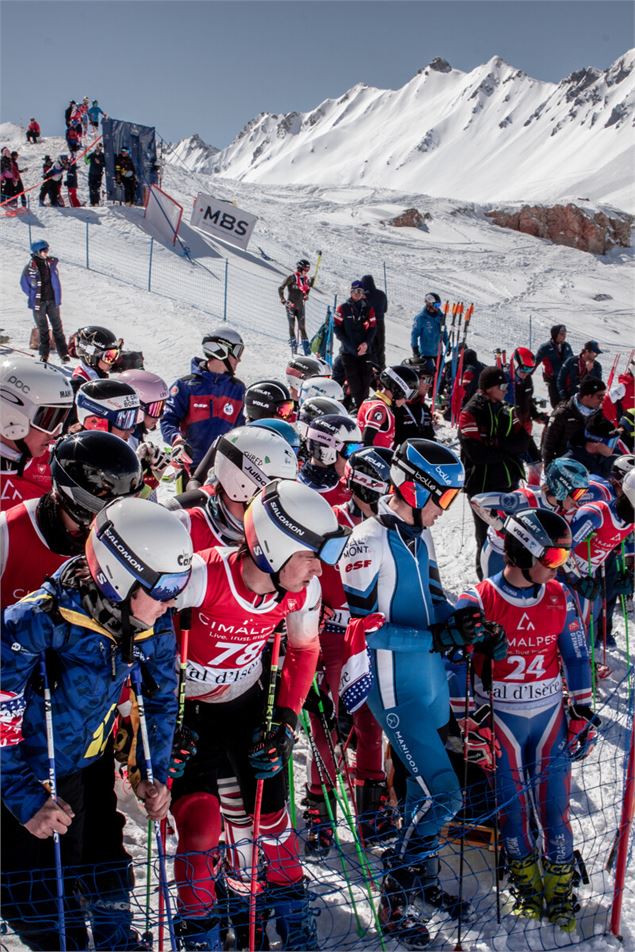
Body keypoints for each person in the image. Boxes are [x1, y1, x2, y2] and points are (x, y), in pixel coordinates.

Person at [1, 496, 193, 951]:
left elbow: (161, 697)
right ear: (120, 578)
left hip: (87, 761)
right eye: (163, 587)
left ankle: (117, 942)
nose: (171, 602)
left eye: (178, 587)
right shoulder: (37, 620)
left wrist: (153, 772)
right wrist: (26, 800)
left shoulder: (148, 621)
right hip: (29, 773)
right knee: (38, 902)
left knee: (105, 865)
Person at [171, 479, 350, 949]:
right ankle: (200, 935)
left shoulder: (301, 591)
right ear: (274, 546)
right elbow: (140, 642)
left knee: (273, 822)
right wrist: (151, 723)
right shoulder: (198, 576)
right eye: (311, 556)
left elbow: (303, 649)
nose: (320, 569)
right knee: (201, 827)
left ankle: (292, 922)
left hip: (248, 707)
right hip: (189, 717)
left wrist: (287, 720)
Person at [340, 439, 500, 945]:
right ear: (413, 488)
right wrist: (436, 637)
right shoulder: (367, 541)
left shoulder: (419, 540)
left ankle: (422, 878)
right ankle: (394, 893)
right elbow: (360, 632)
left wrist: (467, 622)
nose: (443, 511)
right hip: (395, 690)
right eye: (443, 499)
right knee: (444, 795)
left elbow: (433, 601)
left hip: (428, 682)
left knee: (419, 790)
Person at [452, 508, 593, 932]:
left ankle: (560, 887)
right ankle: (527, 884)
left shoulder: (561, 596)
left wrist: (582, 710)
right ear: (524, 551)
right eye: (552, 558)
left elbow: (576, 656)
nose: (560, 567)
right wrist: (468, 723)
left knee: (556, 811)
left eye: (563, 558)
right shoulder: (477, 599)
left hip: (547, 716)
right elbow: (455, 665)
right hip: (501, 721)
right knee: (512, 814)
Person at [305, 446, 394, 854]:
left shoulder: (394, 528)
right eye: (374, 496)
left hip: (373, 638)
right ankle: (320, 813)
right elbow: (309, 583)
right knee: (329, 731)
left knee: (372, 724)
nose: (381, 505)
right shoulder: (330, 523)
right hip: (334, 638)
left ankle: (370, 811)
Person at [459, 366, 529, 577]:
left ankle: (511, 580)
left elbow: (522, 442)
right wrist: (506, 448)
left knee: (514, 536)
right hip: (482, 487)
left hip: (509, 484)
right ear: (489, 388)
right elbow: (477, 455)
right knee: (488, 537)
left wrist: (496, 444)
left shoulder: (505, 408)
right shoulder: (470, 412)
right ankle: (486, 585)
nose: (506, 390)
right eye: (502, 386)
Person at [472, 456, 589, 579]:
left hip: (526, 558)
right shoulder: (526, 499)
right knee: (494, 595)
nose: (577, 501)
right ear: (561, 487)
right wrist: (501, 527)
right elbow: (477, 501)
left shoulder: (561, 509)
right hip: (498, 553)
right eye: (577, 493)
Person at [160, 327, 246, 471]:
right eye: (237, 352)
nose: (239, 359)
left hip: (225, 468)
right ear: (221, 350)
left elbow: (241, 428)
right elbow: (168, 419)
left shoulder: (237, 389)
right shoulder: (186, 386)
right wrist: (177, 441)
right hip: (191, 466)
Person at [0, 354, 73, 508]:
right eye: (48, 420)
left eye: (61, 419)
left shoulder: (57, 461)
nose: (56, 432)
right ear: (10, 415)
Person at [20, 241, 70, 364]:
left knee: (58, 328)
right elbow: (24, 284)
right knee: (43, 330)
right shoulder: (30, 268)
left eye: (47, 250)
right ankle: (44, 355)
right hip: (39, 304)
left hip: (52, 301)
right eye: (44, 250)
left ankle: (63, 354)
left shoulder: (51, 264)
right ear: (37, 252)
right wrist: (33, 295)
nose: (46, 252)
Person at [505, 347, 550, 486]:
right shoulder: (505, 380)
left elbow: (528, 401)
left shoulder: (527, 380)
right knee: (514, 467)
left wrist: (537, 415)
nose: (526, 374)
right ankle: (512, 494)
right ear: (515, 365)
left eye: (530, 370)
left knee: (536, 462)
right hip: (508, 432)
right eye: (523, 370)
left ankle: (533, 492)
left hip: (523, 430)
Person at [542, 376, 608, 467]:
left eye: (604, 396)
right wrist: (549, 468)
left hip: (587, 469)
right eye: (600, 396)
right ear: (587, 396)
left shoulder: (599, 415)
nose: (602, 400)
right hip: (564, 466)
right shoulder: (562, 414)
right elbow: (548, 445)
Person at [298, 413, 362, 505]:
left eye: (358, 449)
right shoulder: (289, 487)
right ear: (326, 452)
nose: (354, 459)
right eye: (350, 450)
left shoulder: (354, 496)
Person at [334, 280, 377, 410]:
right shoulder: (343, 308)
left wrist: (366, 344)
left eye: (360, 292)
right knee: (354, 381)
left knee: (366, 380)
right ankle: (356, 406)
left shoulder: (368, 309)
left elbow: (373, 328)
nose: (357, 294)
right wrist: (351, 348)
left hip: (364, 351)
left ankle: (362, 408)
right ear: (350, 292)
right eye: (354, 291)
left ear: (363, 293)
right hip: (348, 352)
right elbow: (337, 329)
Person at [357, 364, 419, 449]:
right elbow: (366, 442)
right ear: (398, 390)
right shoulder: (380, 409)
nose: (406, 400)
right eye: (407, 395)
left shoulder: (371, 402)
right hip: (372, 458)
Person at [75, 378, 141, 442]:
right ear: (94, 421)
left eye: (133, 419)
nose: (132, 430)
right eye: (124, 420)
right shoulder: (75, 452)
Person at [394, 357, 437, 444]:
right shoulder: (394, 406)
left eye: (431, 380)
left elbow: (430, 439)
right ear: (413, 379)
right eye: (427, 380)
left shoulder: (423, 408)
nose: (430, 385)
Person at [278, 258, 314, 355]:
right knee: (292, 325)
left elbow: (306, 291)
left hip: (300, 306)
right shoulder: (292, 277)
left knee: (302, 327)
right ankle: (294, 347)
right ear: (300, 268)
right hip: (291, 305)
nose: (306, 272)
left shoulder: (306, 279)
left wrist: (306, 295)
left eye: (308, 270)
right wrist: (283, 300)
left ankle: (307, 350)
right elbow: (280, 288)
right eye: (305, 269)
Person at [535, 324, 573, 408]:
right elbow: (534, 362)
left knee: (569, 402)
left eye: (565, 334)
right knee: (556, 404)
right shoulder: (545, 348)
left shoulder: (567, 346)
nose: (564, 336)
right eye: (562, 334)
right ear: (555, 334)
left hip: (566, 380)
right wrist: (526, 375)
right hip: (553, 380)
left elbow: (572, 362)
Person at [360, 274, 388, 370]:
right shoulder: (382, 294)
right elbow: (385, 309)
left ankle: (371, 367)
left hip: (369, 324)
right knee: (380, 347)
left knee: (369, 347)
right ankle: (382, 367)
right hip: (380, 323)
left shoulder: (363, 296)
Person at [410, 292, 448, 360]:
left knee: (440, 371)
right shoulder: (421, 318)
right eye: (436, 305)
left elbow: (444, 332)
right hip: (426, 355)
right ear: (429, 304)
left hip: (439, 354)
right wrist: (415, 348)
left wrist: (448, 345)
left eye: (439, 305)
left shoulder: (440, 317)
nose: (438, 307)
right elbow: (414, 335)